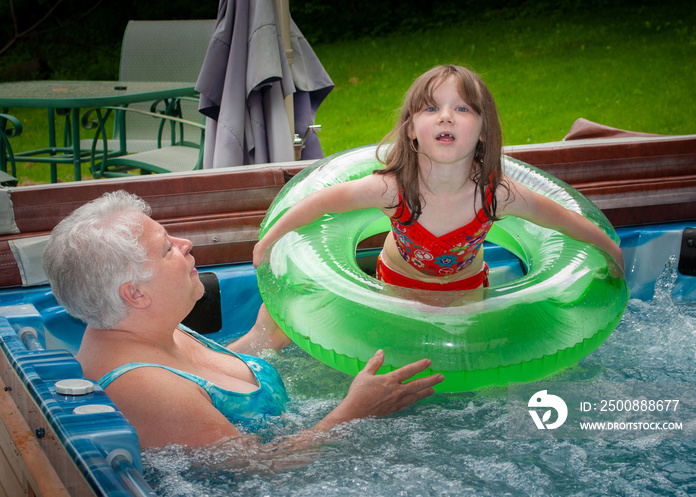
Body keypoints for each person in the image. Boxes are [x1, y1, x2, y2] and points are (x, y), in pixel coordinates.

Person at [43, 190, 443, 452]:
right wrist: (354, 412)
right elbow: (260, 471)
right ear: (136, 293)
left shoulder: (144, 327)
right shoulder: (141, 386)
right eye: (167, 248)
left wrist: (262, 336)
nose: (186, 245)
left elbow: (199, 384)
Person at [253, 65, 624, 290]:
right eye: (432, 108)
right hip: (399, 285)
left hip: (466, 288)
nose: (446, 116)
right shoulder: (392, 188)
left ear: (482, 131)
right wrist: (267, 241)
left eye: (462, 108)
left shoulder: (496, 194)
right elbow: (319, 202)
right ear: (411, 129)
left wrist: (611, 250)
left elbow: (562, 219)